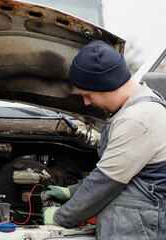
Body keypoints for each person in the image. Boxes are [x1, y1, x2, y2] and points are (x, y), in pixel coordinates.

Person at [41, 40, 166, 239]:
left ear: (107, 84)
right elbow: (114, 171)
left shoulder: (138, 119)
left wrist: (59, 217)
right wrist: (71, 192)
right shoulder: (137, 109)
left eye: (88, 95)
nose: (86, 102)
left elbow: (103, 185)